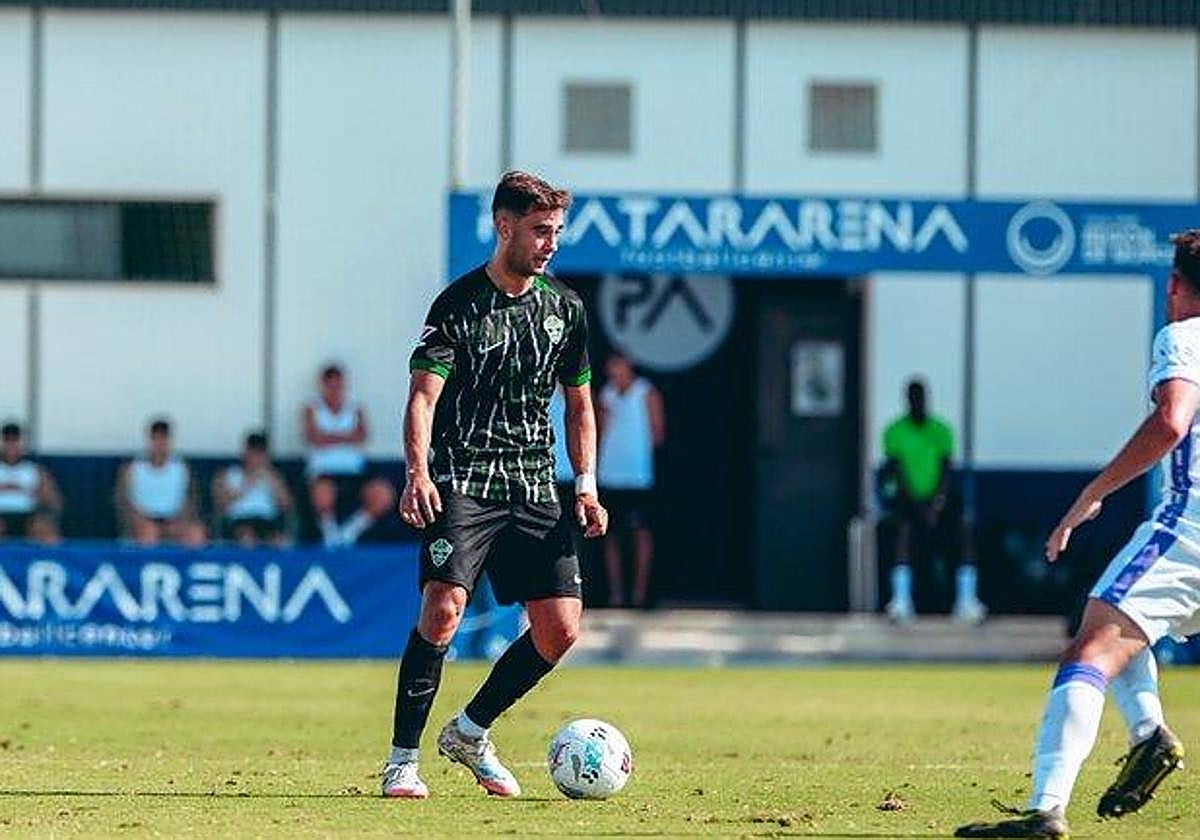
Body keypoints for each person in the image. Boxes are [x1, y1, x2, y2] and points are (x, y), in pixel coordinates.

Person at [955, 231, 1200, 839]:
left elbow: (1171, 422)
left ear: (1174, 286)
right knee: (1109, 620)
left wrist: (1092, 494)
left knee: (1089, 650)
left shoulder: (1183, 336)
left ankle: (1045, 809)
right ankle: (1148, 733)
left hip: (1189, 532)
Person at [381, 170, 607, 800]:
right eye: (539, 230)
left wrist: (585, 485)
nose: (550, 243)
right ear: (504, 226)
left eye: (557, 231)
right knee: (443, 609)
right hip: (465, 480)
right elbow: (423, 398)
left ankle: (471, 731)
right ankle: (402, 760)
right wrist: (417, 473)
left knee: (560, 629)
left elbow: (580, 406)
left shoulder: (566, 310)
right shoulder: (456, 304)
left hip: (535, 483)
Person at [880, 378, 986, 624]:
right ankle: (901, 600)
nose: (917, 403)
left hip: (939, 502)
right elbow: (896, 471)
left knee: (963, 529)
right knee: (902, 531)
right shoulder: (895, 431)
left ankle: (967, 599)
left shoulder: (940, 430)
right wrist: (918, 507)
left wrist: (936, 504)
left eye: (921, 398)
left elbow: (946, 470)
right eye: (913, 398)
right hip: (908, 502)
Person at [302, 363, 396, 548]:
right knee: (322, 491)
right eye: (330, 385)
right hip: (323, 471)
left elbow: (362, 436)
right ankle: (330, 534)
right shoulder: (312, 408)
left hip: (354, 472)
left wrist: (329, 436)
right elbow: (313, 437)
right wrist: (346, 436)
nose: (334, 389)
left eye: (338, 385)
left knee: (383, 493)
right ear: (323, 384)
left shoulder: (355, 407)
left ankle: (350, 531)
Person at [597, 353, 665, 608]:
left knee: (641, 533)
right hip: (610, 474)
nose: (613, 369)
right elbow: (600, 432)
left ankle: (639, 593)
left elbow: (658, 432)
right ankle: (616, 593)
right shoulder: (606, 395)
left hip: (638, 476)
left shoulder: (646, 392)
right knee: (610, 535)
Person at [115, 418, 207, 547]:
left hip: (174, 519)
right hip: (143, 520)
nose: (160, 444)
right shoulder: (132, 468)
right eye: (156, 439)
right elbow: (123, 500)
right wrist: (137, 518)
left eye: (163, 440)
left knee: (196, 533)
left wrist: (181, 518)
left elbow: (190, 500)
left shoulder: (181, 468)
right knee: (149, 532)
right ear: (149, 440)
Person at [212, 431, 293, 547]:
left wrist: (273, 483)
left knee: (280, 541)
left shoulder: (274, 476)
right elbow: (220, 504)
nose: (256, 458)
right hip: (239, 520)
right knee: (247, 537)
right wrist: (246, 485)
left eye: (260, 454)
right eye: (253, 452)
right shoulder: (228, 474)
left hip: (267, 521)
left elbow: (287, 506)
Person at [0, 421, 63, 544]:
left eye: (15, 441)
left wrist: (38, 496)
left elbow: (53, 499)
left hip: (29, 515)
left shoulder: (34, 470)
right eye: (8, 441)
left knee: (44, 529)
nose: (11, 446)